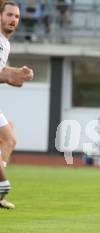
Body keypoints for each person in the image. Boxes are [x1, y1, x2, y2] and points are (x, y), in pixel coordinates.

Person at [0, 1, 34, 209]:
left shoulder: (5, 43)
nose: (13, 20)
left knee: (9, 140)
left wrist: (17, 72)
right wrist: (11, 78)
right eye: (10, 15)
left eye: (17, 17)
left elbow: (2, 69)